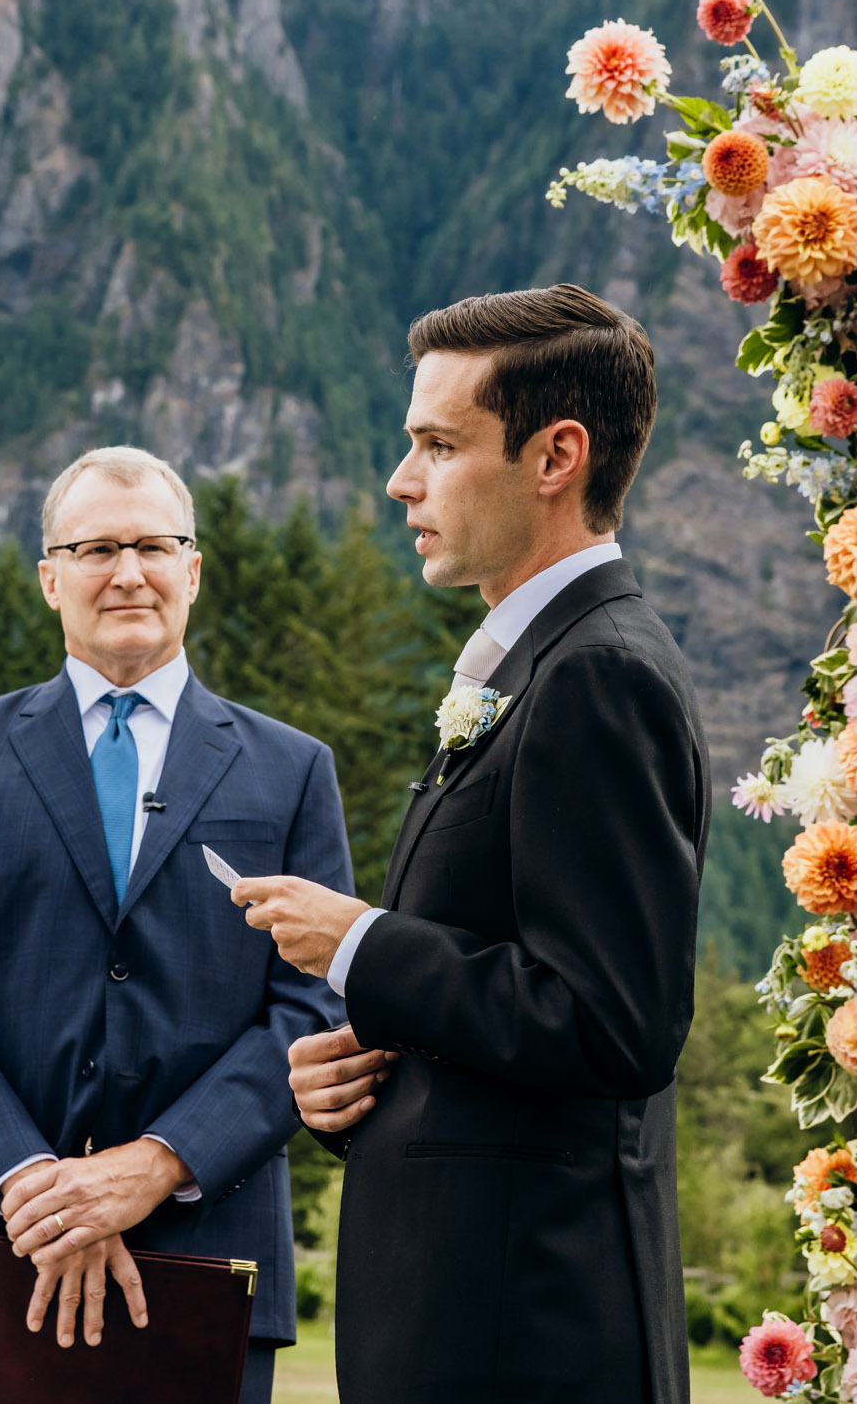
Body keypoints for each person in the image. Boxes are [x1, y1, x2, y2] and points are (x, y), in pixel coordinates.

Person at [236, 284, 707, 1404]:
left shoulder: (598, 674)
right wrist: (369, 1066)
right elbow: (511, 1002)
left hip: (525, 1336)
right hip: (466, 1311)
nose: (401, 480)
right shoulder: (536, 662)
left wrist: (361, 946)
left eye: (439, 445)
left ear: (556, 456)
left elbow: (612, 1023)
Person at [0, 446, 352, 1404]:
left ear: (193, 569)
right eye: (96, 549)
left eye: (154, 547)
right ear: (51, 577)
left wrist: (154, 1165)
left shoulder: (293, 771)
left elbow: (311, 1008)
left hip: (205, 1261)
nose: (128, 572)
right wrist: (36, 1188)